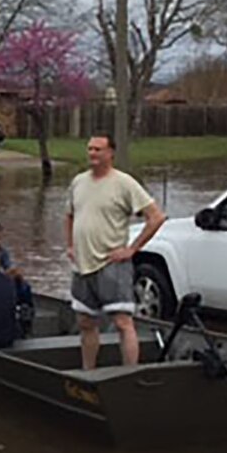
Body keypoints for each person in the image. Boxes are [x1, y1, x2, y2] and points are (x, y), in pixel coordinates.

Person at [65, 134, 166, 370]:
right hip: (82, 264)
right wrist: (70, 245)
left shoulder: (124, 183)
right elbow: (69, 215)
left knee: (122, 322)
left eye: (98, 149)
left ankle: (129, 373)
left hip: (112, 264)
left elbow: (156, 217)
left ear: (111, 153)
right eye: (89, 149)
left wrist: (132, 249)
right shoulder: (79, 182)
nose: (92, 154)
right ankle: (88, 371)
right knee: (85, 322)